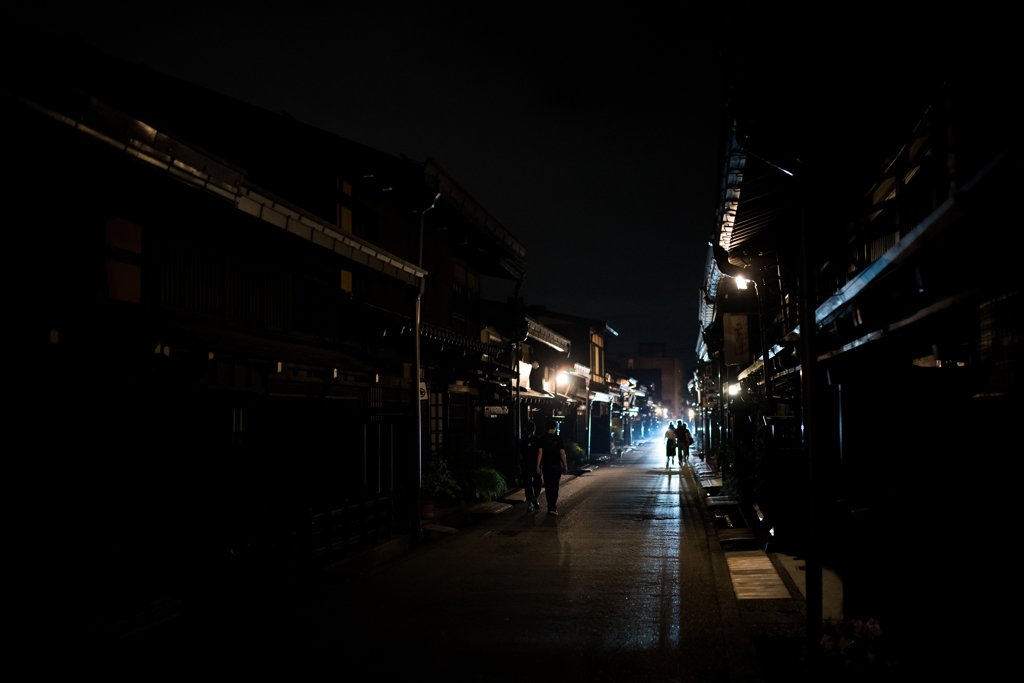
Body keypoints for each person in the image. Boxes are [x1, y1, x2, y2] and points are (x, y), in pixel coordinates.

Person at [536, 420, 568, 515]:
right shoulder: (559, 439)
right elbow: (562, 453)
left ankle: (549, 505)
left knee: (548, 486)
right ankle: (552, 507)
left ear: (546, 428)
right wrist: (565, 466)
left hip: (546, 466)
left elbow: (540, 453)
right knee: (555, 486)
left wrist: (538, 466)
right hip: (556, 465)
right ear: (554, 428)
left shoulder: (542, 439)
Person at [519, 421, 543, 511]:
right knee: (538, 481)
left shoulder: (523, 439)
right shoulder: (537, 439)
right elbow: (539, 453)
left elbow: (520, 453)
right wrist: (539, 465)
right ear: (534, 429)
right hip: (535, 463)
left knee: (527, 484)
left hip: (525, 464)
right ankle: (535, 497)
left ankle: (529, 504)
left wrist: (520, 465)